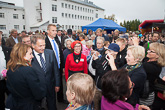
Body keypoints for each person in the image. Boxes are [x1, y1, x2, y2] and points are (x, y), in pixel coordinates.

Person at [6, 43, 46, 110]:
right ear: (22, 55)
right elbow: (38, 94)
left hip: (16, 105)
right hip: (29, 105)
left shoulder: (10, 70)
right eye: (30, 54)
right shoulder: (28, 70)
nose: (32, 56)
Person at [31, 34, 60, 110]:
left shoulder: (50, 53)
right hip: (37, 88)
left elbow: (55, 70)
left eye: (44, 45)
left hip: (50, 86)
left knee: (52, 105)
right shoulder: (29, 56)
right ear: (33, 45)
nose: (43, 47)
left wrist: (57, 84)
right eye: (40, 46)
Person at [92, 43, 120, 110]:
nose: (107, 52)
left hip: (106, 92)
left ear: (116, 52)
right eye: (107, 50)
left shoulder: (117, 63)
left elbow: (104, 74)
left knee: (104, 107)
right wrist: (94, 60)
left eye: (110, 51)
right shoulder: (105, 57)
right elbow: (95, 67)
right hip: (97, 88)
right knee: (95, 107)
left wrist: (97, 61)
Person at [140, 42, 165, 108]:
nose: (148, 51)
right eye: (148, 49)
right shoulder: (148, 61)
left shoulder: (153, 66)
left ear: (158, 55)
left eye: (151, 51)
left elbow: (142, 64)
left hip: (146, 95)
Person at [45, 24, 65, 103]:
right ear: (48, 31)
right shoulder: (45, 42)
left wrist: (62, 66)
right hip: (50, 68)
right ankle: (49, 102)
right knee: (50, 86)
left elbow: (60, 54)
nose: (55, 32)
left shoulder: (57, 40)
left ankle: (60, 99)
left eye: (56, 30)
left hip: (59, 66)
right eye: (53, 30)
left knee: (60, 83)